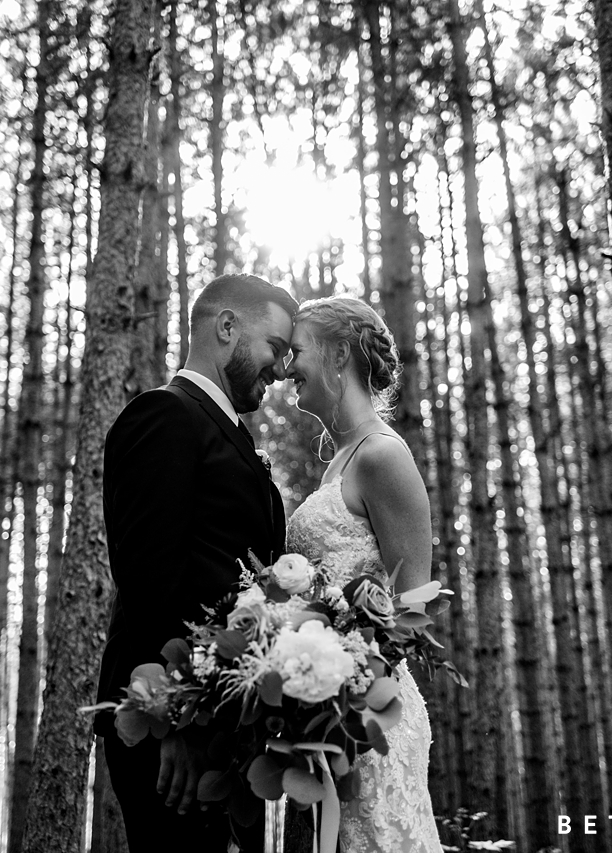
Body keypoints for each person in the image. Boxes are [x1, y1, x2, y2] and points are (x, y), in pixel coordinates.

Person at [95, 273, 298, 852]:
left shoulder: (225, 433)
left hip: (227, 724)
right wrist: (173, 719)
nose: (281, 369)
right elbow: (149, 577)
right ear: (227, 327)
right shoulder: (163, 416)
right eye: (275, 349)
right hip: (173, 728)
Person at [282, 295, 442, 853]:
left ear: (339, 353)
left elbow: (415, 602)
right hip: (327, 711)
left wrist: (348, 697)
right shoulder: (339, 458)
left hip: (370, 717)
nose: (286, 367)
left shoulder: (381, 455)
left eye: (297, 352)